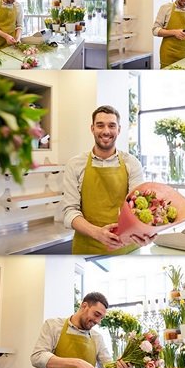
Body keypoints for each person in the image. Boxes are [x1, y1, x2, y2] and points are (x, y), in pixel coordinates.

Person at [62, 105, 144, 256]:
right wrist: (97, 233)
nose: (106, 131)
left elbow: (138, 208)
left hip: (126, 249)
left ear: (119, 129)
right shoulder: (75, 165)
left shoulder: (132, 163)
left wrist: (147, 230)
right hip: (86, 249)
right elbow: (69, 212)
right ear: (92, 128)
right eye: (100, 125)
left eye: (112, 125)